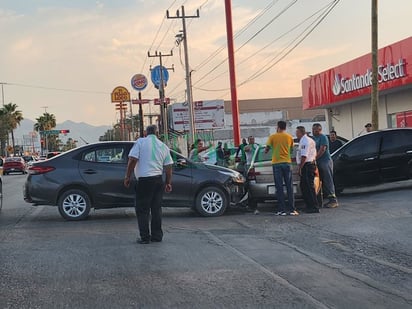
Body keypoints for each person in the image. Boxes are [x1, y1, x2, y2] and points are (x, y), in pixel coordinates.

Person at [124, 125, 173, 244]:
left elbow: (132, 160)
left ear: (146, 133)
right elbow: (168, 167)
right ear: (157, 134)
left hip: (144, 181)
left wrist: (127, 176)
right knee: (156, 209)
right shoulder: (163, 146)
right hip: (158, 180)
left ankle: (145, 237)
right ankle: (157, 236)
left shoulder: (141, 142)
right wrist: (168, 182)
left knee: (142, 210)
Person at [265, 121, 297, 216]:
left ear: (278, 127)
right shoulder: (289, 137)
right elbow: (291, 150)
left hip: (277, 163)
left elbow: (267, 149)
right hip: (287, 163)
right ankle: (292, 209)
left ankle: (281, 210)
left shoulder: (272, 137)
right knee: (289, 186)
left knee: (279, 187)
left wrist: (269, 150)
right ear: (285, 127)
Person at [312, 123, 339, 208]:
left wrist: (315, 158)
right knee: (320, 181)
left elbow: (322, 149)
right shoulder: (314, 138)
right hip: (318, 162)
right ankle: (322, 199)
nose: (314, 131)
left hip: (325, 161)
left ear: (320, 130)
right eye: (313, 129)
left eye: (315, 129)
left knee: (328, 180)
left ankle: (333, 200)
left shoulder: (323, 137)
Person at [296, 126, 319, 213]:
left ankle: (313, 206)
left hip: (307, 165)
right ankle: (309, 205)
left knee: (309, 187)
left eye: (297, 132)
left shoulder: (305, 141)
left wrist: (300, 167)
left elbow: (304, 156)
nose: (296, 134)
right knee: (304, 186)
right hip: (308, 164)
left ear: (301, 132)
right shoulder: (305, 140)